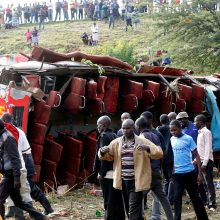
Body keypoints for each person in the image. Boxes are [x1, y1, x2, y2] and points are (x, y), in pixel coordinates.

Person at [99, 119, 163, 220]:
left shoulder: (142, 141)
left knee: (133, 209)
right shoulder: (116, 142)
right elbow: (108, 156)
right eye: (123, 128)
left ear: (133, 128)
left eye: (128, 128)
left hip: (136, 181)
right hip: (123, 180)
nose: (125, 130)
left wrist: (147, 148)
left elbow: (159, 153)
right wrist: (102, 152)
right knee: (129, 208)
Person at [2, 113, 54, 217]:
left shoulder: (15, 133)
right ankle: (15, 212)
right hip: (18, 164)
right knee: (15, 191)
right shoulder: (11, 132)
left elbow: (22, 154)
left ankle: (46, 209)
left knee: (30, 189)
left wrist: (21, 170)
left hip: (24, 163)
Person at [169, 120, 209, 220]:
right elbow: (174, 156)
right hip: (177, 175)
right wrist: (173, 171)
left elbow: (197, 155)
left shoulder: (188, 139)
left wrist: (199, 174)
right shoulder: (172, 139)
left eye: (175, 130)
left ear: (180, 128)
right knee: (177, 198)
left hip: (189, 173)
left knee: (195, 197)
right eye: (171, 130)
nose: (173, 132)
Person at [135, 117, 173, 220]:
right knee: (163, 198)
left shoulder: (141, 138)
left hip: (146, 172)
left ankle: (138, 217)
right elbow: (161, 153)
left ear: (138, 126)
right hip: (156, 171)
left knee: (137, 198)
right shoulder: (155, 135)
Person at [93, 115, 125, 220]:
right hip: (116, 173)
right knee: (118, 200)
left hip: (107, 174)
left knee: (109, 201)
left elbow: (104, 158)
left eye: (99, 125)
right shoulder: (115, 136)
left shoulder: (104, 136)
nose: (97, 127)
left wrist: (100, 173)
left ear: (104, 125)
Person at [194, 114, 216, 211]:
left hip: (206, 161)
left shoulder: (207, 132)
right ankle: (208, 202)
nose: (194, 123)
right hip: (201, 161)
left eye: (196, 121)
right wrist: (196, 160)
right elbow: (200, 149)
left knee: (209, 183)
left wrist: (205, 163)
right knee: (204, 183)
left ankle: (212, 204)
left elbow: (208, 149)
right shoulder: (200, 133)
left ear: (201, 122)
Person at [156, 114, 174, 206]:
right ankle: (170, 199)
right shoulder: (172, 130)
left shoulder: (157, 130)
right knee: (172, 179)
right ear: (168, 120)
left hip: (161, 157)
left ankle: (164, 199)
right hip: (171, 157)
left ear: (160, 121)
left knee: (166, 179)